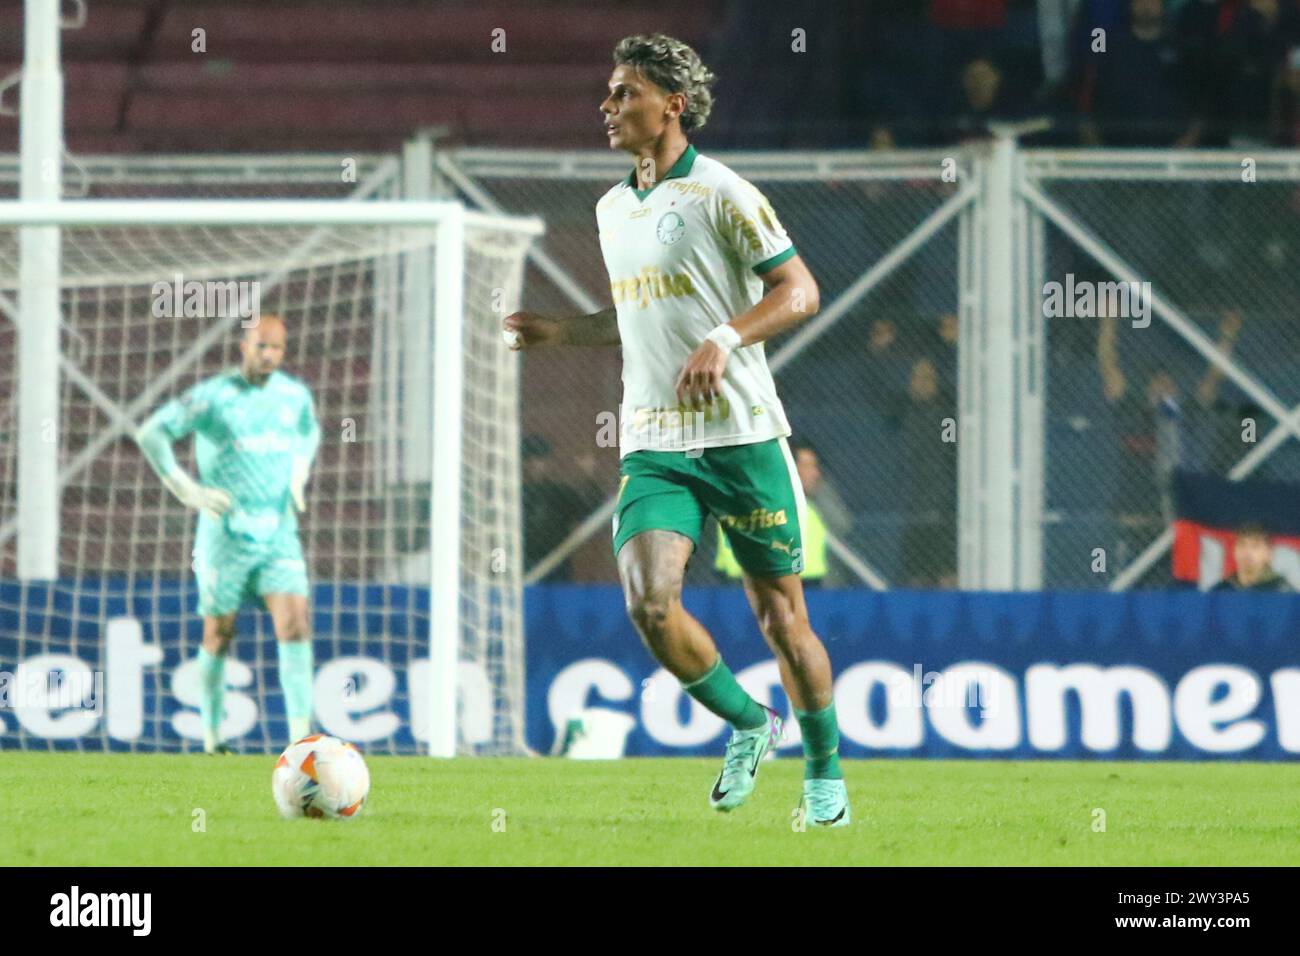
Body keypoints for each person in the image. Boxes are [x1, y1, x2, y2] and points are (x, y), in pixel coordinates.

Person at [503, 33, 849, 826]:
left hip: (741, 434)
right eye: (609, 91)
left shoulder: (724, 193)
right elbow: (637, 320)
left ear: (674, 106)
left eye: (625, 92)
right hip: (655, 442)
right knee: (651, 604)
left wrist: (726, 339)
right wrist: (558, 333)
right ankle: (750, 724)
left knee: (781, 619)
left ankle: (824, 776)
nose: (608, 105)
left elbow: (800, 291)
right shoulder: (612, 205)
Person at [135, 315, 320, 753]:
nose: (269, 355)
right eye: (262, 346)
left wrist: (300, 467)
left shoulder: (294, 396)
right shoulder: (214, 397)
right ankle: (213, 737)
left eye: (277, 347)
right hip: (225, 535)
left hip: (278, 532)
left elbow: (310, 431)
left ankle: (300, 742)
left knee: (295, 624)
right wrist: (184, 486)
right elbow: (151, 432)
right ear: (244, 346)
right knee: (220, 633)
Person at [714, 440, 853, 588]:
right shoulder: (755, 501)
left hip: (808, 583)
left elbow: (842, 524)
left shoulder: (811, 506)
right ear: (789, 467)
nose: (815, 473)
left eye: (815, 466)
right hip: (749, 583)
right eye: (807, 466)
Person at [1211, 524, 1295, 592]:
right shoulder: (1221, 590)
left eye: (1255, 546)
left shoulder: (1283, 591)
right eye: (1241, 544)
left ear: (1269, 554)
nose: (1246, 552)